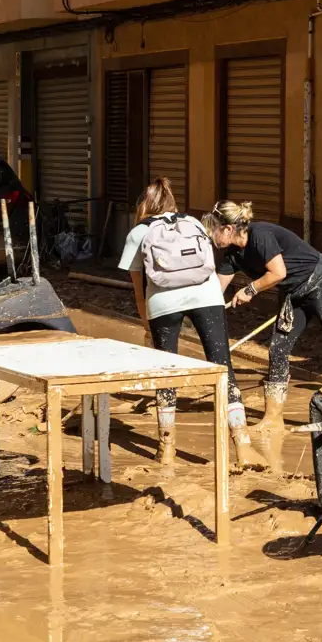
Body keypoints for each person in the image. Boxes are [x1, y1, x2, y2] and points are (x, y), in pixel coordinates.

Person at [202, 200, 322, 465]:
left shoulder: (260, 235)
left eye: (213, 231)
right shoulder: (231, 256)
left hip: (319, 282)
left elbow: (278, 272)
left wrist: (249, 290)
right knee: (278, 349)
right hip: (294, 293)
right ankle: (273, 417)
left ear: (227, 229)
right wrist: (202, 311)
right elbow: (217, 290)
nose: (212, 238)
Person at [118, 178, 264, 469]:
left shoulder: (139, 232)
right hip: (207, 298)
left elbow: (138, 289)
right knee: (223, 368)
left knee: (166, 374)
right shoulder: (195, 223)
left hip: (163, 305)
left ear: (144, 205)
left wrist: (147, 326)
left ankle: (167, 448)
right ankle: (243, 446)